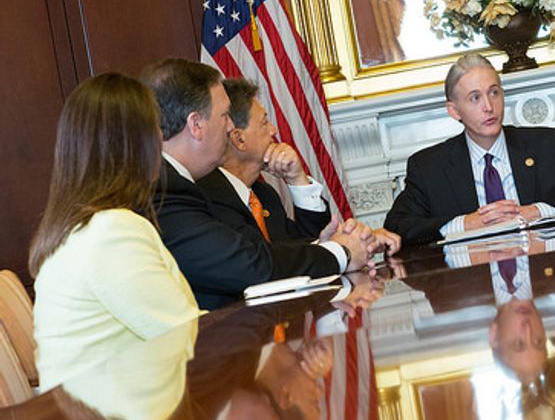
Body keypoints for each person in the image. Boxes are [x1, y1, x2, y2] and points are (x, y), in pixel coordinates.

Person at [141, 58, 375, 310]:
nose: (231, 126)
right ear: (196, 125)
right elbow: (248, 265)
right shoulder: (164, 190)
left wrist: (326, 246)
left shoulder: (173, 182)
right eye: (224, 116)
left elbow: (260, 253)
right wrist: (341, 252)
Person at [29, 73, 201, 392]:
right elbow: (186, 336)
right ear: (134, 144)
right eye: (155, 129)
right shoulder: (111, 231)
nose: (160, 140)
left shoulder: (80, 226)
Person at [383, 54, 555, 245]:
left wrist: (536, 212)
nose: (488, 106)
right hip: (472, 279)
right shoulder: (429, 167)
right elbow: (397, 226)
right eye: (475, 98)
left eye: (494, 92)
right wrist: (466, 224)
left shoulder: (546, 145)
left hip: (543, 273)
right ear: (454, 111)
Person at [196, 77, 400, 252]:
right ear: (239, 139)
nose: (273, 130)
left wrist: (297, 179)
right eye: (264, 123)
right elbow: (263, 261)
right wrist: (341, 247)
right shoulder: (208, 198)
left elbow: (304, 247)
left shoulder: (264, 196)